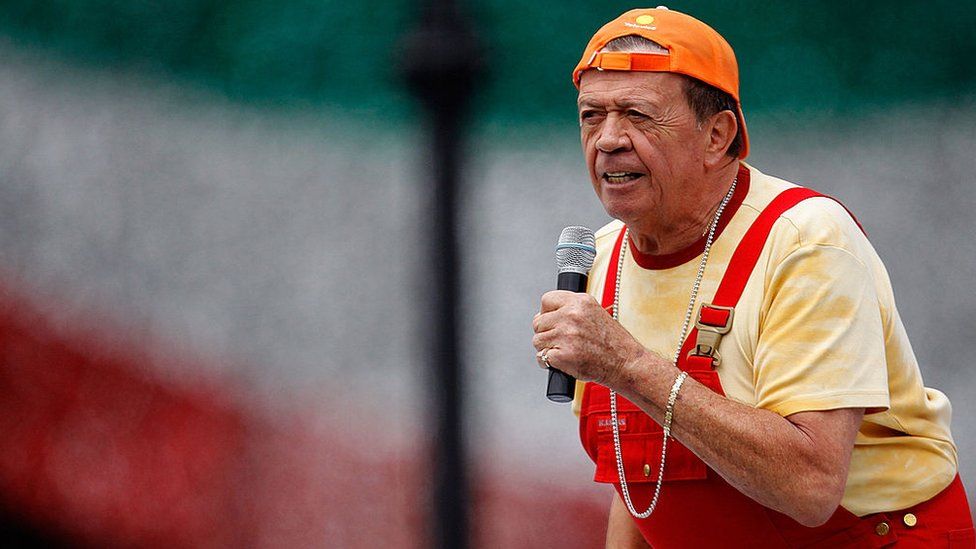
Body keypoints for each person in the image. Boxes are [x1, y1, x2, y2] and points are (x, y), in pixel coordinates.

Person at [531, 7, 975, 548]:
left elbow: (810, 487)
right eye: (591, 115)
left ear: (718, 135)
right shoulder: (601, 260)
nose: (608, 140)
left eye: (638, 115)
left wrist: (625, 365)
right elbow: (639, 480)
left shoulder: (804, 240)